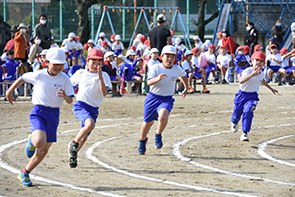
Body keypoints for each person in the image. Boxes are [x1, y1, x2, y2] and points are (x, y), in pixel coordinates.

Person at [6, 47, 74, 186]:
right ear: (46, 62)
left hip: (54, 115)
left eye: (61, 63)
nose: (58, 66)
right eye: (55, 63)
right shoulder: (39, 75)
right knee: (38, 142)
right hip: (39, 112)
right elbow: (22, 78)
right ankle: (32, 139)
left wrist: (65, 96)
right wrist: (9, 92)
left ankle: (25, 172)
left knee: (43, 150)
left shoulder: (65, 78)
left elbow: (70, 100)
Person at [138, 45, 188, 155]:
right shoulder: (156, 68)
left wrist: (186, 88)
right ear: (162, 57)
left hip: (167, 99)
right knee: (148, 123)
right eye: (167, 56)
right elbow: (148, 82)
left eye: (172, 57)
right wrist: (158, 78)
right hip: (153, 98)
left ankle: (158, 135)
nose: (169, 59)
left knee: (164, 115)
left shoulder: (176, 69)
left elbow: (184, 76)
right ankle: (142, 140)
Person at [68, 49, 111, 168]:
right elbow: (68, 84)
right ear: (87, 61)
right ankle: (74, 143)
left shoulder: (105, 76)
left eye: (99, 63)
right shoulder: (81, 73)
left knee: (85, 136)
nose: (96, 65)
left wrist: (100, 78)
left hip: (94, 109)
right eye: (93, 62)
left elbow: (104, 93)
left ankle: (73, 155)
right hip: (81, 105)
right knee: (90, 124)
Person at [231, 51, 278, 141]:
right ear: (251, 61)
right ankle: (235, 121)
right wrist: (253, 74)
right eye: (256, 60)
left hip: (252, 96)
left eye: (261, 61)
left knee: (248, 111)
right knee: (236, 113)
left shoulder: (262, 73)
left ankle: (244, 133)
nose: (258, 62)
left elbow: (262, 80)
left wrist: (271, 88)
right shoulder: (247, 71)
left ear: (264, 63)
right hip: (241, 95)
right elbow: (241, 81)